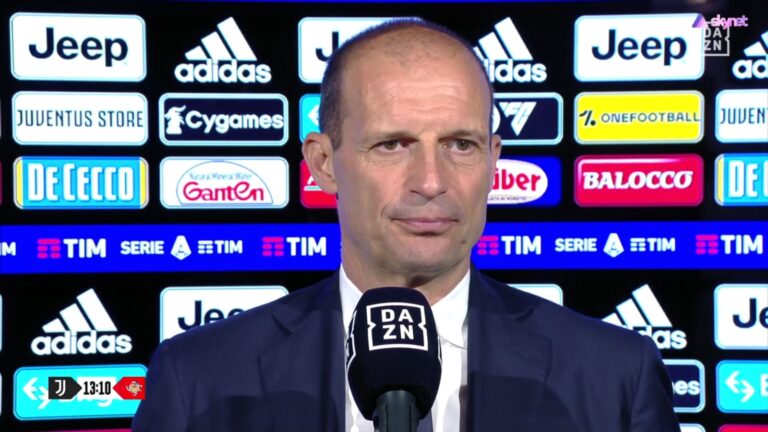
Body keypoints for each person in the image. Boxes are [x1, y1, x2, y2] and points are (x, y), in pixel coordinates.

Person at [132, 19, 679, 432]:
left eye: (460, 145)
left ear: (493, 161)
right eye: (393, 145)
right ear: (323, 164)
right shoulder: (198, 378)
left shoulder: (616, 375)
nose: (431, 181)